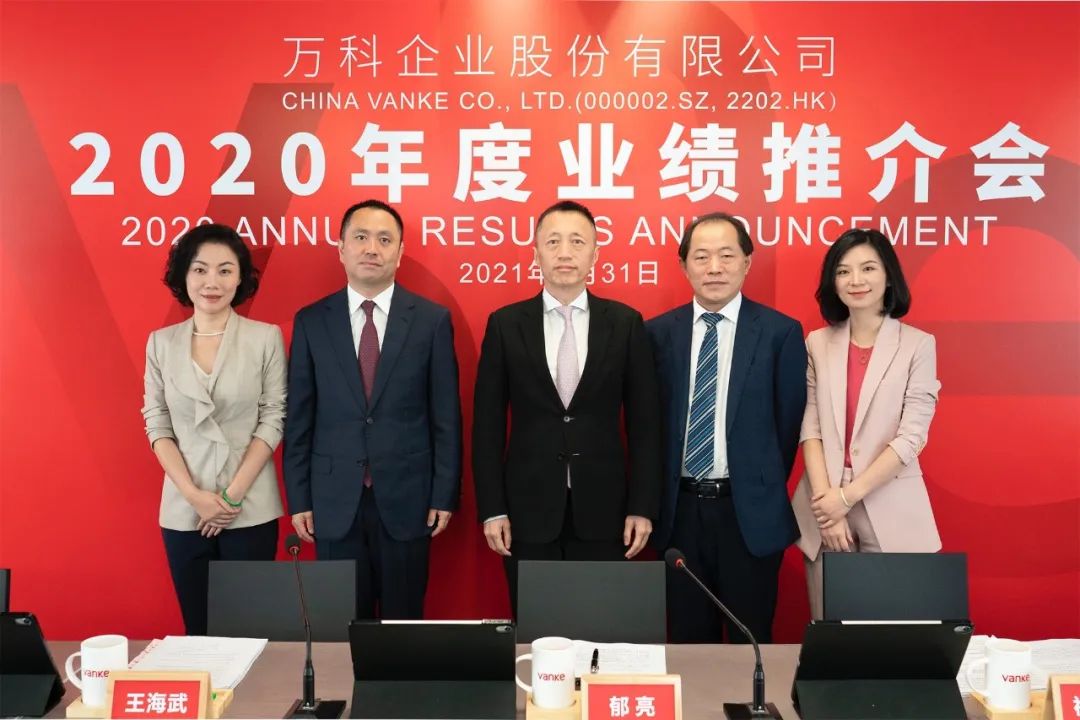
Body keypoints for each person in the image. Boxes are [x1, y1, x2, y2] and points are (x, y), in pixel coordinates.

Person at [472, 200, 661, 614]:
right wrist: (492, 509)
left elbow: (646, 426)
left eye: (577, 242)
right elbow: (487, 428)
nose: (564, 252)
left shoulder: (625, 323)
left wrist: (642, 507)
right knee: (536, 628)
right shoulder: (505, 324)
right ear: (536, 252)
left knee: (601, 627)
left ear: (595, 254)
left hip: (606, 509)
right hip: (526, 510)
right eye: (553, 241)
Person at [283, 199, 461, 620]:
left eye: (384, 240)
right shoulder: (312, 321)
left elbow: (446, 418)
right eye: (360, 237)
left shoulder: (431, 320)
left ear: (399, 252)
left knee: (403, 624)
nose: (371, 249)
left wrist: (444, 493)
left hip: (409, 497)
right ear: (341, 248)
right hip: (332, 499)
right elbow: (300, 418)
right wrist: (300, 497)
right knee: (342, 625)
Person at [647, 213, 806, 643]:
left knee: (749, 640)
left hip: (748, 514)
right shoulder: (656, 334)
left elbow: (787, 426)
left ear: (747, 262)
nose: (714, 267)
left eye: (726, 255)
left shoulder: (780, 333)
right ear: (684, 266)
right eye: (701, 257)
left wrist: (754, 483)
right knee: (687, 642)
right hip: (680, 514)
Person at [142, 223, 285, 635]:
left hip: (249, 507)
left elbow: (273, 417)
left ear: (240, 278)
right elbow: (157, 423)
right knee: (199, 633)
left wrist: (230, 498)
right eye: (200, 269)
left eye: (225, 270)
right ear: (184, 275)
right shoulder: (161, 343)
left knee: (250, 633)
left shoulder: (265, 338)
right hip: (184, 510)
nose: (212, 282)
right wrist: (194, 496)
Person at [792, 228, 941, 619]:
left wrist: (847, 497)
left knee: (895, 634)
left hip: (890, 504)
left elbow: (911, 438)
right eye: (843, 271)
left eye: (868, 268)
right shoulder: (816, 343)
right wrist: (828, 507)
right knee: (832, 634)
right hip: (824, 507)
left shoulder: (918, 345)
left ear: (888, 276)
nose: (855, 280)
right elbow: (810, 428)